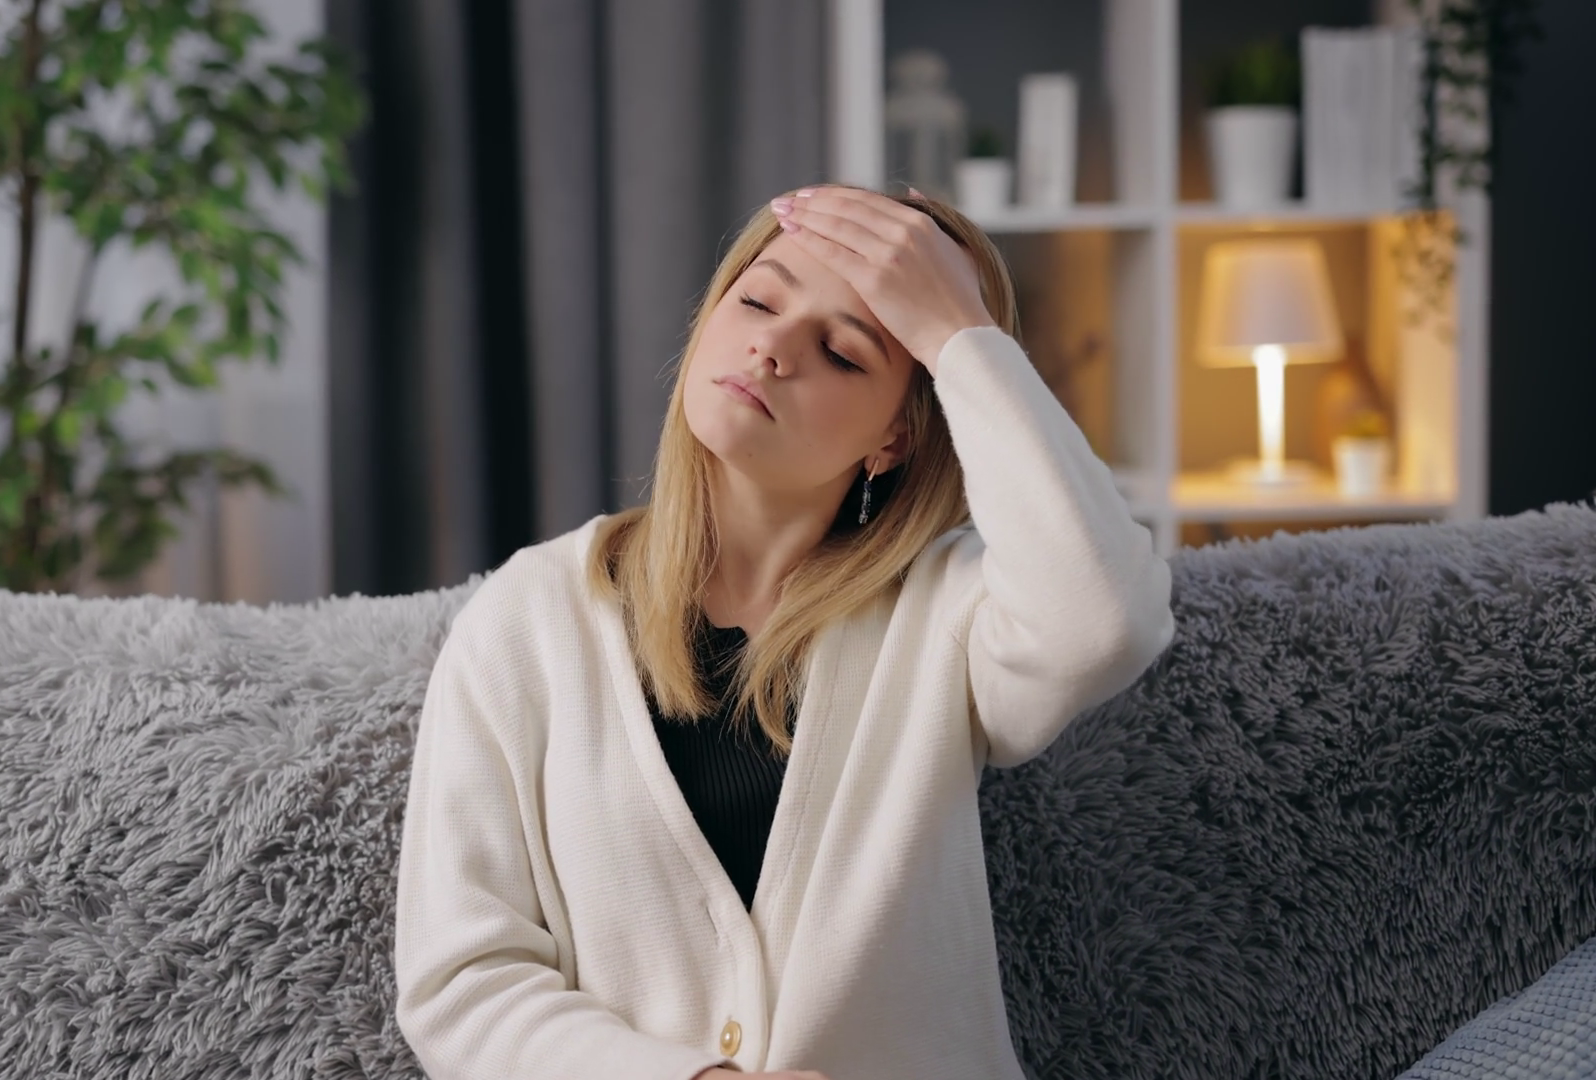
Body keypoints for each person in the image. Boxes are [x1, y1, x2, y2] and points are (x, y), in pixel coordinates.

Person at [393, 184, 1177, 1080]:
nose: (771, 347)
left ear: (895, 439)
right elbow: (461, 981)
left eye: (843, 353)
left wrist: (960, 335)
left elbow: (1106, 620)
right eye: (759, 301)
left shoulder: (949, 612)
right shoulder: (527, 620)